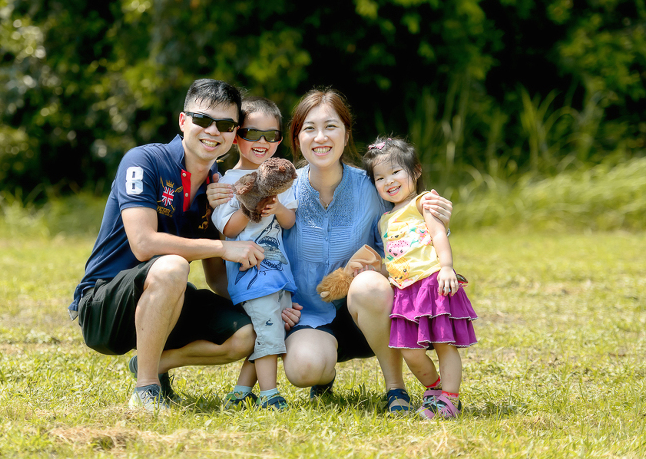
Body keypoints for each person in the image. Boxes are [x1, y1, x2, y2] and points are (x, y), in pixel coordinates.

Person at [68, 79, 269, 412]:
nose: (212, 131)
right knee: (173, 265)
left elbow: (217, 279)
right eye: (203, 120)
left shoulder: (220, 187)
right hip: (104, 305)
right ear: (183, 121)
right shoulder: (143, 160)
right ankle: (146, 390)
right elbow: (144, 244)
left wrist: (268, 304)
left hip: (166, 296)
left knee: (246, 334)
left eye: (225, 125)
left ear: (234, 134)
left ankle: (156, 364)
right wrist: (222, 248)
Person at [279, 88, 453, 413]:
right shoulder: (282, 190)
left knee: (370, 285)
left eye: (331, 126)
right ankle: (324, 372)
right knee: (303, 369)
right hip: (309, 317)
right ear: (297, 138)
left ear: (346, 135)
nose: (321, 137)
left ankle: (395, 388)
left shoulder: (373, 185)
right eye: (310, 128)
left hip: (373, 313)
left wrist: (437, 215)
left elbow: (415, 224)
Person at [362, 135, 477, 419]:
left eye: (396, 172)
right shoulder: (384, 219)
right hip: (404, 291)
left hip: (432, 283)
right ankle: (435, 389)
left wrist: (447, 267)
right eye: (380, 178)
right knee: (409, 350)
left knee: (443, 345)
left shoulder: (423, 202)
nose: (389, 181)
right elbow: (393, 256)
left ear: (415, 171)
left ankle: (449, 399)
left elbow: (438, 234)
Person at [211, 97, 297, 411]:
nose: (262, 142)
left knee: (270, 330)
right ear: (236, 137)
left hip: (279, 272)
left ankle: (241, 390)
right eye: (252, 133)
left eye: (271, 136)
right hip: (251, 274)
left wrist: (279, 206)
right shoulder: (224, 183)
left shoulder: (281, 178)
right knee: (270, 331)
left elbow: (290, 221)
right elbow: (229, 230)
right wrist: (254, 205)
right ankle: (269, 394)